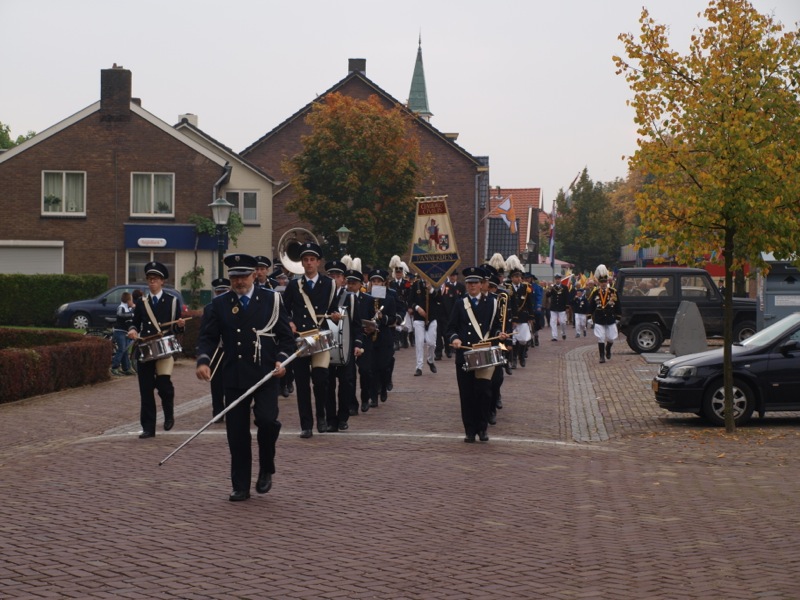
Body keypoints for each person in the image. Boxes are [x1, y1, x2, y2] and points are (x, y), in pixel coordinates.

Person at [196, 254, 295, 501]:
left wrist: (282, 359)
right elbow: (207, 338)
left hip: (265, 373)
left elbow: (286, 337)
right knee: (237, 432)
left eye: (243, 276)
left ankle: (266, 467)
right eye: (234, 277)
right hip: (234, 375)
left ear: (255, 275)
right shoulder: (219, 305)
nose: (239, 281)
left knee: (267, 421)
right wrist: (203, 361)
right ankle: (240, 485)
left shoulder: (272, 300)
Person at [283, 242, 341, 438]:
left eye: (312, 260)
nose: (309, 263)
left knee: (321, 380)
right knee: (301, 383)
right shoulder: (293, 285)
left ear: (318, 262)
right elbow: (284, 311)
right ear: (302, 263)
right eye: (305, 260)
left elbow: (333, 307)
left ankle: (322, 416)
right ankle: (306, 425)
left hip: (320, 337)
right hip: (301, 339)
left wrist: (335, 315)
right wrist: (290, 323)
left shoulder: (329, 284)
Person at [446, 267, 508, 443]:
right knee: (466, 395)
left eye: (475, 283)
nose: (472, 286)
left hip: (485, 354)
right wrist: (455, 338)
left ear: (482, 285)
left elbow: (498, 325)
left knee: (484, 392)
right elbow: (451, 328)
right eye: (469, 283)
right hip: (465, 353)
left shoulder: (494, 303)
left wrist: (501, 333)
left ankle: (482, 428)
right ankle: (470, 431)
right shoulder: (460, 303)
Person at [127, 261, 185, 439]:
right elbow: (135, 323)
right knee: (145, 390)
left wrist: (180, 326)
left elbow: (176, 328)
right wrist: (133, 330)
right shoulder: (141, 302)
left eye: (155, 279)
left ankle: (168, 413)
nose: (151, 282)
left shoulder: (172, 301)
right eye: (149, 279)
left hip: (164, 349)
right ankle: (148, 428)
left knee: (164, 386)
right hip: (145, 348)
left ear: (162, 282)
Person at [325, 259, 362, 431]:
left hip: (345, 347)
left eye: (337, 276)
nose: (334, 278)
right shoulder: (322, 296)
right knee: (327, 384)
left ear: (343, 279)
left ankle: (343, 417)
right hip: (326, 347)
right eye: (331, 275)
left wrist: (357, 344)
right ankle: (330, 418)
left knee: (347, 382)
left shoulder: (351, 298)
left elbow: (357, 326)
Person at [367, 268, 397, 405]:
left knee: (384, 366)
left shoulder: (390, 298)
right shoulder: (366, 297)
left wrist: (382, 317)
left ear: (383, 283)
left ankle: (384, 386)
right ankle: (373, 397)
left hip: (385, 336)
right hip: (370, 336)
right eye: (374, 281)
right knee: (372, 368)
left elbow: (392, 319)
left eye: (379, 281)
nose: (376, 283)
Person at [206, 277, 231, 420]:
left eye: (224, 291)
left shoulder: (234, 305)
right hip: (216, 349)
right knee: (216, 382)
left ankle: (231, 408)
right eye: (218, 291)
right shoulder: (210, 308)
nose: (221, 294)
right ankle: (217, 410)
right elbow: (205, 332)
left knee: (231, 380)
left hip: (231, 349)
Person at [588, 264, 622, 363]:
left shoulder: (613, 292)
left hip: (610, 317)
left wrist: (618, 317)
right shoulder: (595, 292)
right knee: (601, 337)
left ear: (607, 282)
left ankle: (608, 348)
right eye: (601, 282)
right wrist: (589, 316)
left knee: (611, 338)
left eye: (605, 282)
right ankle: (601, 356)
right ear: (599, 282)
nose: (603, 284)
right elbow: (592, 305)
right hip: (599, 318)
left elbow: (617, 305)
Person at [408, 275, 440, 376]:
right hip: (419, 318)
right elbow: (410, 301)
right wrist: (417, 308)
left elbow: (439, 299)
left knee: (432, 343)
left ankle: (430, 360)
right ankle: (419, 367)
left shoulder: (435, 283)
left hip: (432, 317)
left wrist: (430, 289)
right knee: (419, 342)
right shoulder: (416, 285)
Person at [506, 256, 534, 368]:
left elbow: (529, 303)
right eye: (516, 277)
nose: (518, 278)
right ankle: (513, 359)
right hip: (511, 317)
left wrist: (531, 317)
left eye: (519, 276)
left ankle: (521, 356)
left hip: (523, 317)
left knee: (523, 340)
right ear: (512, 278)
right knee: (512, 340)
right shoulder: (507, 288)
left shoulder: (526, 288)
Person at [439, 270, 465, 358]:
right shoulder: (444, 286)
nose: (452, 277)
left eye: (454, 275)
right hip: (445, 313)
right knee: (444, 332)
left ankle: (450, 348)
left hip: (457, 313)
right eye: (451, 275)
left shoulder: (461, 287)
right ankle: (445, 350)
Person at [110, 292, 135, 376]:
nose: (132, 301)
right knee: (121, 349)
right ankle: (114, 367)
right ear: (128, 300)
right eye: (131, 299)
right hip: (119, 331)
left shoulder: (128, 308)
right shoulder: (121, 307)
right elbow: (120, 314)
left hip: (125, 332)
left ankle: (126, 368)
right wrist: (132, 314)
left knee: (125, 350)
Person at [547, 274, 569, 341]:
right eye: (556, 279)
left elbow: (567, 297)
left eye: (558, 279)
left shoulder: (564, 287)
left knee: (562, 322)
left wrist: (567, 306)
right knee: (553, 322)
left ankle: (563, 333)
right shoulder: (552, 287)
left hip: (561, 307)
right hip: (553, 307)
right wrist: (549, 289)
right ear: (555, 280)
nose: (557, 280)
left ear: (560, 280)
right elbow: (548, 295)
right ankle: (555, 336)